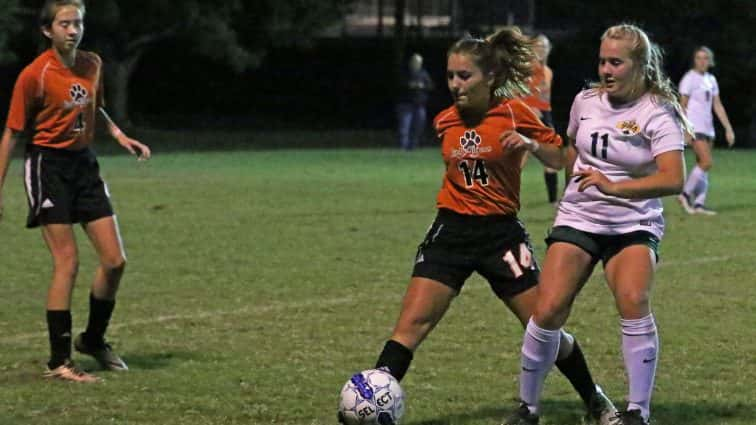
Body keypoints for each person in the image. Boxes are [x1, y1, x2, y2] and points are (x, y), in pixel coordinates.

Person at [365, 28, 617, 425]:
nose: (454, 85)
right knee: (411, 325)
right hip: (451, 233)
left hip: (501, 235)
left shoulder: (515, 112)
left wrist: (532, 146)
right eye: (450, 76)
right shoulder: (444, 121)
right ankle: (370, 401)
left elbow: (562, 158)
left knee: (542, 327)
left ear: (490, 78)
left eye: (464, 76)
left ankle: (595, 399)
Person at [505, 24, 691, 425]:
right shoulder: (585, 101)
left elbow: (673, 178)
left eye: (616, 62)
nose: (606, 69)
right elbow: (569, 157)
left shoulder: (657, 110)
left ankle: (638, 412)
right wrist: (536, 147)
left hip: (633, 221)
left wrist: (615, 187)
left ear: (638, 66)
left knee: (633, 299)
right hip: (580, 215)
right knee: (548, 308)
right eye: (602, 60)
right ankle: (528, 409)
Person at [0, 0, 151, 382]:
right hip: (48, 167)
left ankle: (94, 340)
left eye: (78, 23)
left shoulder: (92, 64)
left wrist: (119, 135)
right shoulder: (34, 75)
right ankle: (58, 361)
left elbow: (93, 106)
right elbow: (11, 134)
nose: (73, 30)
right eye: (64, 23)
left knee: (115, 261)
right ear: (47, 30)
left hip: (84, 165)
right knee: (67, 262)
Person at [677, 46, 735, 215]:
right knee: (706, 162)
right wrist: (685, 129)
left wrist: (728, 128)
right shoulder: (689, 79)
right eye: (698, 58)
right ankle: (685, 194)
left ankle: (699, 204)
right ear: (694, 60)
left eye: (705, 58)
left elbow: (717, 105)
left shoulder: (711, 79)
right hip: (695, 127)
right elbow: (682, 105)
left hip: (708, 127)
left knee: (702, 165)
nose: (702, 61)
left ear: (710, 61)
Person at [520, 34, 560, 205]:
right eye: (538, 47)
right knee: (519, 158)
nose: (541, 50)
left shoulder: (548, 72)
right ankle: (500, 194)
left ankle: (553, 203)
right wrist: (529, 110)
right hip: (529, 116)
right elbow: (519, 93)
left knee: (551, 158)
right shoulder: (526, 70)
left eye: (544, 46)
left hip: (545, 117)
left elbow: (545, 99)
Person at [396, 53, 434, 150]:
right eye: (414, 62)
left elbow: (430, 86)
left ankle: (413, 147)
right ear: (410, 62)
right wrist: (409, 85)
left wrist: (422, 86)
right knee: (404, 127)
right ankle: (402, 148)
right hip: (406, 104)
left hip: (420, 105)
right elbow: (398, 85)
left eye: (418, 62)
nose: (416, 63)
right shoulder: (405, 73)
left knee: (418, 127)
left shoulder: (423, 74)